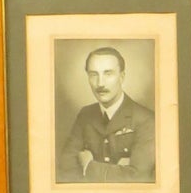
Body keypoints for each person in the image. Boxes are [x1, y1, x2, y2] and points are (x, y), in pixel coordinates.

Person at [57, 46, 155, 182]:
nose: (100, 83)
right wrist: (118, 171)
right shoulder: (85, 115)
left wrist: (88, 166)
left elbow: (137, 177)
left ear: (121, 77)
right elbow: (65, 169)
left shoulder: (146, 119)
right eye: (93, 74)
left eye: (108, 74)